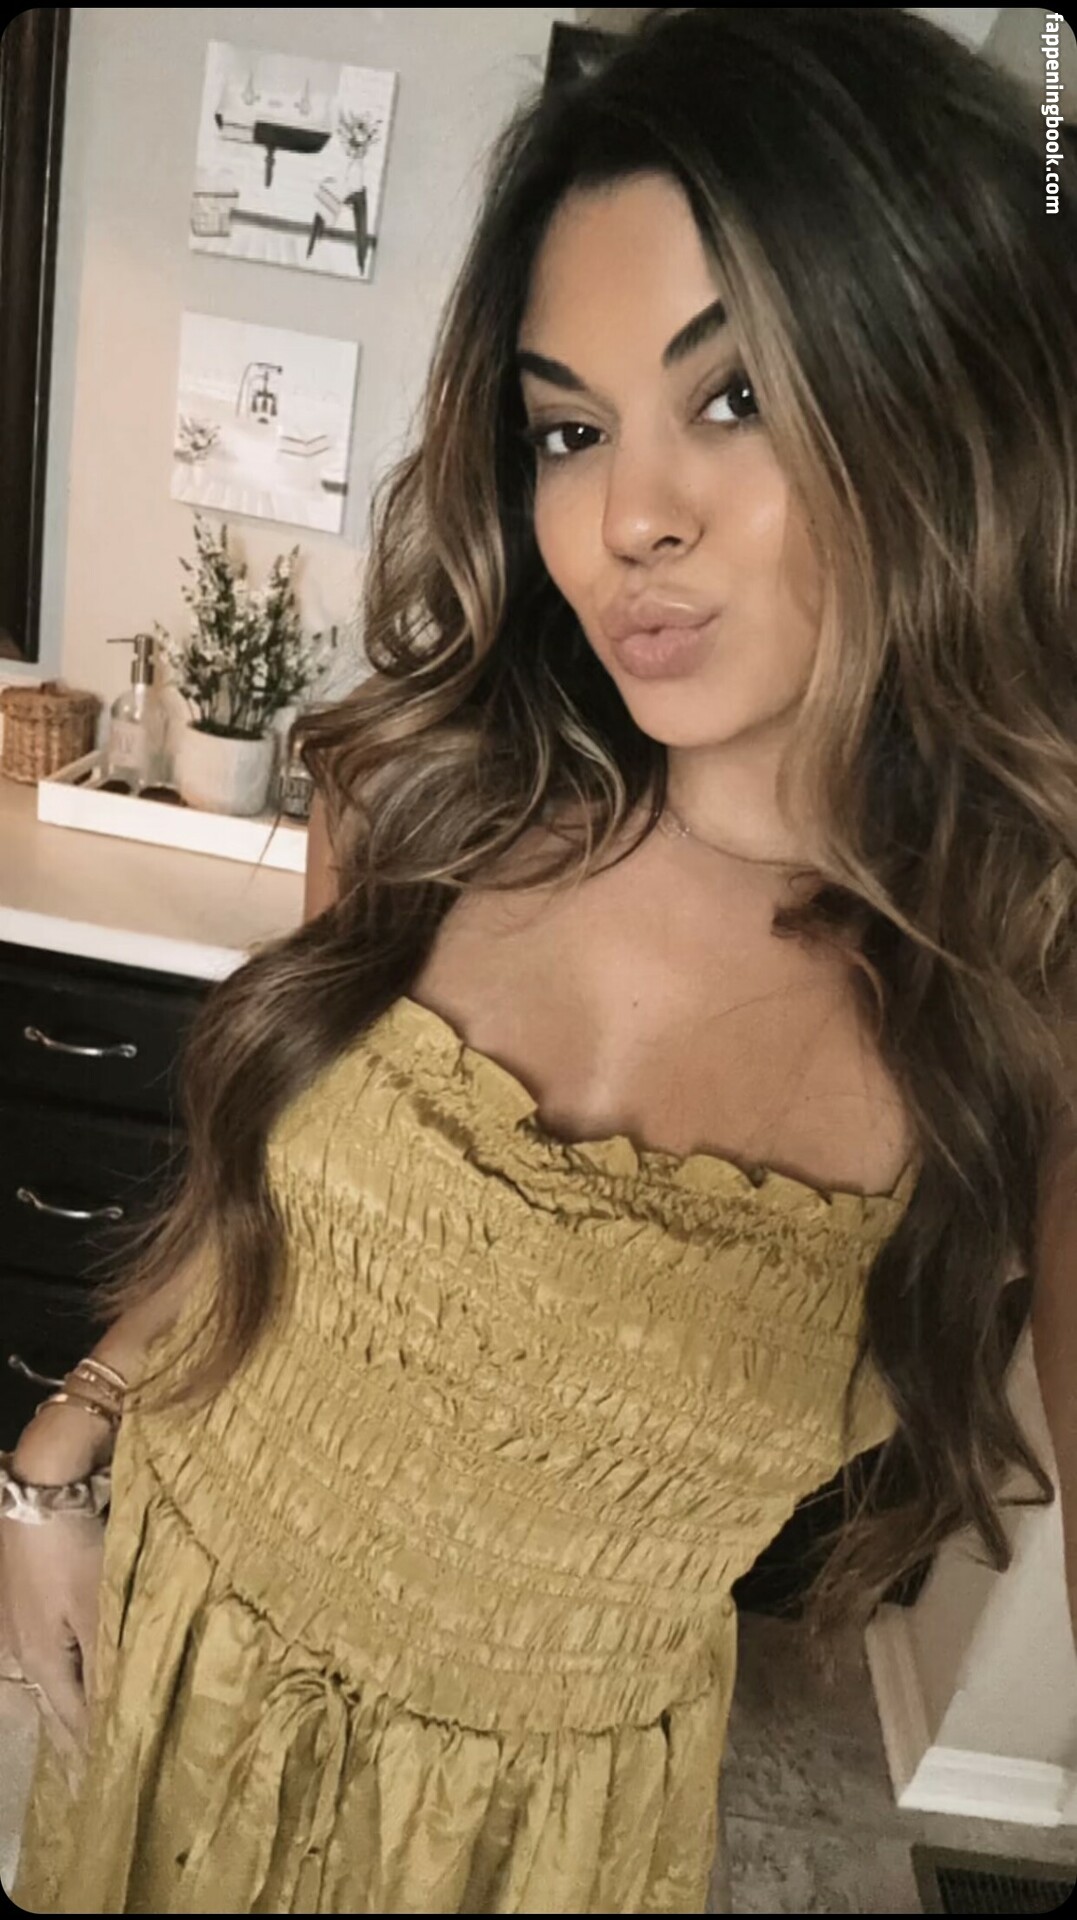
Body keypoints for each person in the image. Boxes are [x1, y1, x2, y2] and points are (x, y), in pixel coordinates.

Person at [3, 8, 1077, 1912]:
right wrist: (61, 1449)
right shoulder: (418, 799)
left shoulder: (1026, 1005)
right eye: (569, 430)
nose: (623, 517)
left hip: (519, 1846)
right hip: (179, 1648)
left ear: (955, 405)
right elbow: (254, 1213)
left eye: (733, 397)